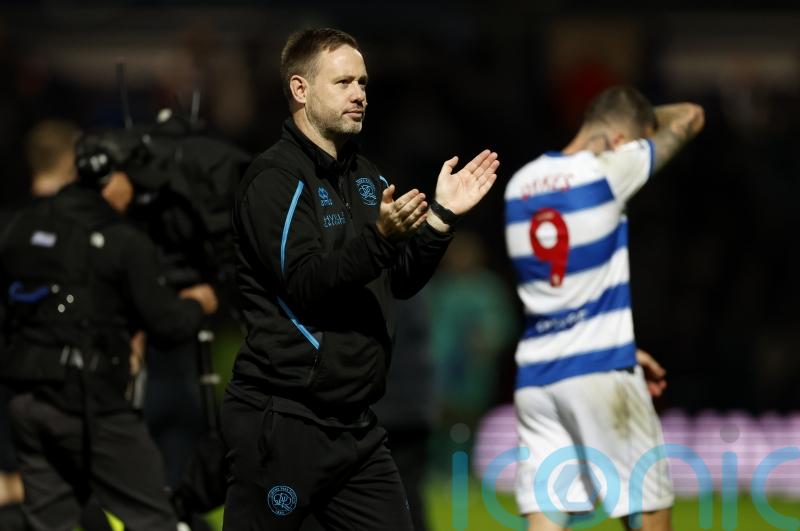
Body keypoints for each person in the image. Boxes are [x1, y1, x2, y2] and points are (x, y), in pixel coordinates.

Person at [222, 27, 498, 530]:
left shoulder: (366, 176)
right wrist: (380, 239)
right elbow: (305, 281)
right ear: (300, 89)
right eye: (344, 82)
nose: (360, 95)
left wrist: (440, 218)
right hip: (285, 421)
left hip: (356, 426)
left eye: (364, 83)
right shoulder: (274, 179)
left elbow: (400, 280)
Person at [504, 86, 704, 531]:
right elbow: (691, 116)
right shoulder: (606, 171)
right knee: (650, 513)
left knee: (546, 520)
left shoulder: (519, 185)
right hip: (599, 370)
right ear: (619, 140)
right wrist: (642, 118)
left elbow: (563, 291)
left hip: (537, 375)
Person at [0, 129, 219, 531]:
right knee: (155, 519)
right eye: (134, 184)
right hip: (92, 405)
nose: (136, 196)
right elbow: (169, 325)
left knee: (51, 523)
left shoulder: (21, 226)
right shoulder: (122, 240)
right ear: (114, 178)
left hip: (28, 403)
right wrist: (197, 302)